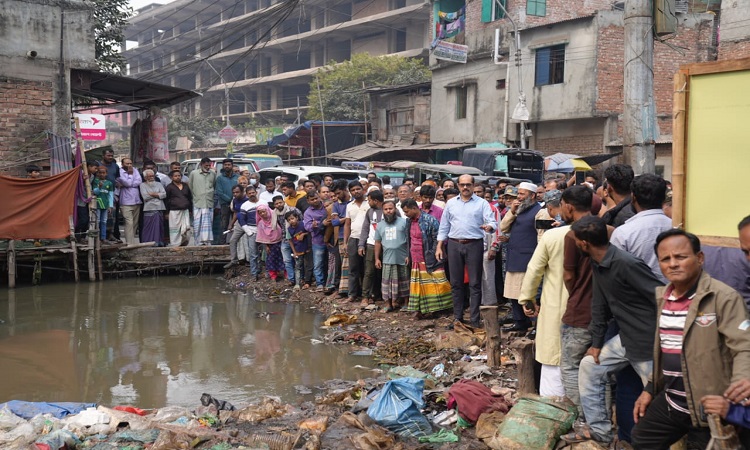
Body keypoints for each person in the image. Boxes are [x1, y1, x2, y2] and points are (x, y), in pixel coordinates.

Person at [631, 229, 750, 449]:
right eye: (665, 259)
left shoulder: (722, 297)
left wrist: (738, 394)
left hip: (707, 408)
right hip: (672, 402)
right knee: (641, 438)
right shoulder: (663, 297)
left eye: (681, 257)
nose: (673, 264)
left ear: (699, 258)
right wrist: (649, 389)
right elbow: (666, 350)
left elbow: (744, 346)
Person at [562, 215, 663, 445]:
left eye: (577, 240)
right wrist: (596, 343)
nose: (576, 244)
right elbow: (599, 304)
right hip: (625, 337)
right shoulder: (598, 262)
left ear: (584, 243)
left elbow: (661, 295)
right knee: (590, 366)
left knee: (658, 396)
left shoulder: (627, 263)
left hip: (648, 342)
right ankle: (600, 430)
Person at [517, 206, 572, 397]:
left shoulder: (553, 236)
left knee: (553, 356)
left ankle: (553, 408)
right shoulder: (601, 233)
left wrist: (527, 299)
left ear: (569, 208)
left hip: (556, 305)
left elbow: (534, 270)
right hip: (589, 309)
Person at [436, 174, 497, 328]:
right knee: (456, 283)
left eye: (468, 185)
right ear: (457, 186)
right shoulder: (451, 204)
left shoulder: (481, 203)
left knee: (475, 283)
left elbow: (492, 221)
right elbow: (444, 226)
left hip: (474, 244)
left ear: (473, 185)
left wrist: (489, 227)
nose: (465, 187)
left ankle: (475, 320)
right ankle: (458, 318)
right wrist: (439, 245)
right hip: (454, 244)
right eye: (462, 185)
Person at [558, 186, 594, 420]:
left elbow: (569, 275)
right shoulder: (607, 229)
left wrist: (574, 294)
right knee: (596, 372)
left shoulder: (573, 235)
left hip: (579, 311)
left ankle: (581, 419)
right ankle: (598, 419)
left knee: (570, 368)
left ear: (569, 206)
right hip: (600, 313)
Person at [610, 174, 671, 283]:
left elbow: (615, 274)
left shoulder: (623, 233)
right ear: (663, 198)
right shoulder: (678, 228)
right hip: (673, 296)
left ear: (633, 197)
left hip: (635, 297)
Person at [400, 199, 453, 319]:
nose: (405, 214)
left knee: (438, 284)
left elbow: (438, 238)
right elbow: (409, 239)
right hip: (415, 258)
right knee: (419, 286)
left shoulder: (430, 220)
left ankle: (441, 309)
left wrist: (434, 253)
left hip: (430, 258)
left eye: (407, 211)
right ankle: (421, 309)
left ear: (414, 208)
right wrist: (408, 255)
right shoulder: (409, 222)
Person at [501, 182, 542, 333]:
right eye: (518, 194)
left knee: (528, 294)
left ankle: (534, 325)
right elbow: (503, 227)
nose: (518, 197)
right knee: (513, 292)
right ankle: (520, 322)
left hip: (528, 258)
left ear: (532, 196)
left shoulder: (539, 212)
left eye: (522, 194)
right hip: (514, 256)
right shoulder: (517, 209)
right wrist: (511, 211)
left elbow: (541, 237)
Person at [374, 200, 410, 312]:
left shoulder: (404, 222)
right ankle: (389, 305)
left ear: (395, 209)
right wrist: (376, 258)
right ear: (383, 211)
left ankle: (406, 304)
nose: (388, 211)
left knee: (405, 282)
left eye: (391, 208)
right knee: (387, 284)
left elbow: (409, 240)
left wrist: (409, 255)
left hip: (403, 258)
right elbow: (377, 242)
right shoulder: (380, 225)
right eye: (386, 209)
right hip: (387, 259)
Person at [359, 189, 385, 306]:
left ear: (375, 200)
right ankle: (365, 296)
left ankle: (381, 295)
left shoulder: (388, 210)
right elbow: (365, 228)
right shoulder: (369, 211)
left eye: (369, 200)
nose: (367, 202)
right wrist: (361, 244)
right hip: (371, 244)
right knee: (369, 271)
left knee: (385, 272)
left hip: (387, 246)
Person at [344, 180, 369, 303]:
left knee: (367, 269)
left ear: (363, 189)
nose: (356, 191)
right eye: (353, 190)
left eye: (358, 189)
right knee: (353, 268)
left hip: (369, 239)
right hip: (353, 238)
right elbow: (347, 224)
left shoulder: (369, 203)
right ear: (350, 192)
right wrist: (345, 242)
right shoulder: (349, 205)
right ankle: (352, 294)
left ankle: (366, 296)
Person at [326, 180, 350, 296]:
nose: (337, 196)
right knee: (342, 264)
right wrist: (347, 218)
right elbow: (334, 222)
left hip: (354, 235)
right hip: (341, 236)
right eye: (335, 194)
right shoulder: (336, 205)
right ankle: (342, 289)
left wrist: (342, 219)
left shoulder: (352, 202)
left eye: (338, 193)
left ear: (345, 190)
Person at [188, 157, 217, 246]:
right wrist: (196, 197)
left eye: (209, 165)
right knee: (197, 224)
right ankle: (198, 243)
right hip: (198, 202)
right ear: (201, 164)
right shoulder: (194, 173)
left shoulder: (213, 173)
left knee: (208, 224)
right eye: (206, 165)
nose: (208, 167)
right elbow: (190, 187)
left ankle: (207, 242)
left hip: (209, 203)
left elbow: (214, 186)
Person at [303, 191, 328, 291]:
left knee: (329, 262)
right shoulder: (308, 212)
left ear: (319, 197)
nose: (315, 200)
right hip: (318, 240)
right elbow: (307, 227)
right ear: (308, 201)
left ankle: (329, 282)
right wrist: (314, 225)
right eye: (312, 199)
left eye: (316, 198)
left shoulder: (327, 206)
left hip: (330, 239)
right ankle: (320, 283)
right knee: (318, 263)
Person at [256, 203, 284, 282]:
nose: (262, 214)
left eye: (264, 211)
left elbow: (282, 228)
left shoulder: (275, 218)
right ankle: (273, 277)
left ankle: (286, 275)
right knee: (271, 260)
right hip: (269, 245)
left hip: (280, 241)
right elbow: (262, 236)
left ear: (267, 211)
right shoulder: (261, 223)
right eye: (260, 213)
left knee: (283, 258)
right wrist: (266, 246)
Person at [117, 157, 142, 245]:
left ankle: (132, 242)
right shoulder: (120, 172)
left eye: (130, 163)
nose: (129, 165)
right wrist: (131, 175)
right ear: (122, 164)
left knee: (134, 223)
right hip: (126, 202)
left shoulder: (135, 170)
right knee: (129, 223)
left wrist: (129, 183)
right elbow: (127, 183)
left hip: (136, 200)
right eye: (127, 164)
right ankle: (129, 243)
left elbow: (139, 181)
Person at [139, 169, 167, 246]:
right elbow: (145, 197)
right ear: (145, 177)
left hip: (160, 207)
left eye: (153, 176)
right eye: (149, 176)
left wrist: (153, 194)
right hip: (149, 208)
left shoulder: (159, 184)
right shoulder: (142, 185)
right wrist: (158, 195)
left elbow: (164, 195)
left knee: (159, 226)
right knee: (148, 227)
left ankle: (159, 242)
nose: (152, 177)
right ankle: (148, 242)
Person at [287, 210, 313, 289]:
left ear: (297, 218)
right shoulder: (289, 229)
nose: (291, 221)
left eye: (292, 218)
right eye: (289, 220)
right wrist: (294, 252)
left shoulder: (304, 224)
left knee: (309, 265)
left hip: (307, 248)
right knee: (298, 267)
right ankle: (297, 283)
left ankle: (307, 282)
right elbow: (290, 241)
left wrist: (304, 234)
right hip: (298, 250)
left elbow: (311, 231)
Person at [165, 170, 192, 246]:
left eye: (179, 176)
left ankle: (184, 243)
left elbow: (189, 198)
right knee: (175, 229)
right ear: (172, 177)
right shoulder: (169, 187)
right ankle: (175, 244)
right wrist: (166, 213)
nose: (177, 177)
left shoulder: (185, 186)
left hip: (185, 211)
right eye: (175, 176)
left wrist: (190, 210)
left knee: (186, 229)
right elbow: (166, 200)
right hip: (174, 212)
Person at [215, 159, 238, 244]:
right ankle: (222, 243)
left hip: (236, 204)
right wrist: (229, 200)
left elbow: (240, 189)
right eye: (225, 165)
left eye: (229, 164)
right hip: (225, 204)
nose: (227, 166)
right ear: (223, 166)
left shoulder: (237, 177)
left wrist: (234, 200)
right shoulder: (220, 178)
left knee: (236, 224)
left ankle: (234, 242)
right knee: (224, 224)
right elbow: (219, 192)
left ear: (232, 165)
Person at [92, 166, 113, 242]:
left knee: (104, 221)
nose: (101, 174)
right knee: (97, 221)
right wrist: (99, 187)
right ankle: (96, 238)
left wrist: (110, 206)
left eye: (103, 173)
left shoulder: (109, 183)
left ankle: (103, 237)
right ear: (97, 173)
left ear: (106, 173)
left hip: (105, 204)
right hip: (97, 204)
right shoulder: (95, 181)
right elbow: (95, 192)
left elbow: (110, 195)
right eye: (100, 173)